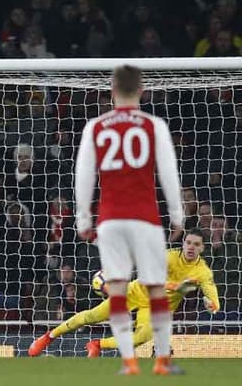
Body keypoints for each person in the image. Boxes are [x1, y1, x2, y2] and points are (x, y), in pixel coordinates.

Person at [75, 65, 183, 375]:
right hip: (145, 217)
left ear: (111, 92)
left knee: (118, 289)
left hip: (109, 220)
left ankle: (128, 362)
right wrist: (177, 216)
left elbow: (83, 175)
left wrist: (84, 219)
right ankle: (162, 360)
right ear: (141, 91)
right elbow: (168, 174)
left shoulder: (96, 126)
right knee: (156, 289)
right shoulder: (153, 125)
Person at [29, 229, 219, 357]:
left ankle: (97, 344)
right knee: (92, 316)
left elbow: (211, 293)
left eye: (196, 244)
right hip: (135, 292)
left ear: (202, 248)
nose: (191, 247)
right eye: (188, 242)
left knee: (141, 338)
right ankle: (47, 337)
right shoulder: (169, 256)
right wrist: (176, 287)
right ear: (183, 243)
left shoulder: (202, 272)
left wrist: (213, 305)